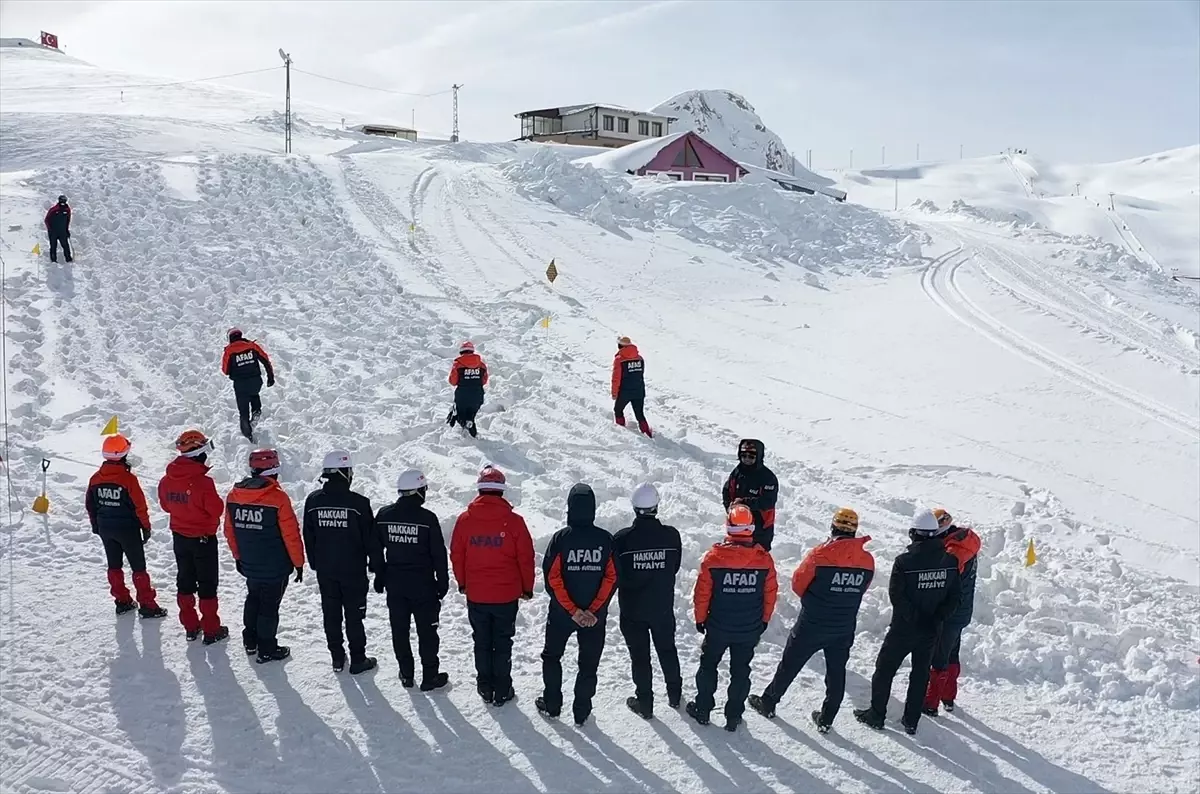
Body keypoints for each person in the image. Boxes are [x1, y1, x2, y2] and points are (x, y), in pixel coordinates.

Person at [749, 507, 874, 733]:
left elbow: (798, 584)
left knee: (790, 663)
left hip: (813, 622)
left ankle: (769, 702)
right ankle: (827, 718)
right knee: (837, 672)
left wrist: (816, 599)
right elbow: (861, 589)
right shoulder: (867, 560)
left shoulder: (820, 554)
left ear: (833, 527)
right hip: (844, 625)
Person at [854, 508, 961, 735]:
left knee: (885, 669)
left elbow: (898, 598)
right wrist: (935, 619)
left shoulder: (904, 562)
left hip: (904, 628)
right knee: (920, 673)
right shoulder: (950, 562)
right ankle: (911, 720)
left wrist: (916, 619)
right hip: (932, 629)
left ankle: (877, 713)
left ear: (914, 534)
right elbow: (954, 598)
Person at [449, 465, 535, 706]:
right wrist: (527, 588)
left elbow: (457, 554)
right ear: (501, 492)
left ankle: (484, 686)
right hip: (506, 595)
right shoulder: (514, 522)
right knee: (503, 641)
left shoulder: (465, 520)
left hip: (476, 593)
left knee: (482, 640)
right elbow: (525, 557)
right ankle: (503, 688)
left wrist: (463, 583)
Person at [688, 504, 778, 732]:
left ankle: (703, 709)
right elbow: (770, 594)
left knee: (708, 665)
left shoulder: (714, 558)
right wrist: (764, 620)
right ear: (751, 528)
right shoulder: (763, 560)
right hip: (748, 629)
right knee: (741, 671)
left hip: (718, 626)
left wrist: (700, 619)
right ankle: (734, 715)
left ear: (728, 526)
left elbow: (702, 593)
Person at [536, 483, 618, 726]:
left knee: (552, 656)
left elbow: (552, 577)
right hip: (594, 617)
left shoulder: (562, 538)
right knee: (588, 664)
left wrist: (572, 610)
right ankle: (581, 712)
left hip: (562, 615)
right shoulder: (605, 539)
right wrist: (593, 610)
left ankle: (552, 705)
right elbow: (611, 578)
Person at [302, 450, 382, 675]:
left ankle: (337, 657)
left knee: (331, 613)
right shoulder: (359, 504)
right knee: (354, 615)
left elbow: (308, 534)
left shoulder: (313, 500)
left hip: (326, 570)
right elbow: (371, 540)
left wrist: (315, 562)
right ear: (344, 473)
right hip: (353, 572)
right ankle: (358, 658)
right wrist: (377, 566)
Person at [224, 448, 304, 664]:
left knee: (253, 598)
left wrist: (239, 557)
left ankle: (250, 640)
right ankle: (267, 648)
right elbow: (291, 534)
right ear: (274, 470)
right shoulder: (278, 498)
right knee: (269, 606)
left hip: (250, 563)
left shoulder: (234, 496)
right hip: (275, 566)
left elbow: (229, 531)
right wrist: (298, 563)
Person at [612, 482, 683, 719]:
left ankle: (645, 703)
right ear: (656, 507)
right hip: (662, 606)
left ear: (634, 508)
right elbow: (674, 567)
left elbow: (616, 573)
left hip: (633, 609)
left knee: (640, 657)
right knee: (667, 650)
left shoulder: (621, 540)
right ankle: (675, 694)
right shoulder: (672, 535)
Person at [375, 468, 450, 691]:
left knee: (400, 630)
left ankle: (406, 674)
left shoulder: (384, 516)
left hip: (395, 584)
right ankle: (430, 676)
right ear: (418, 491)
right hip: (423, 585)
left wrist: (379, 574)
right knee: (427, 632)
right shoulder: (427, 519)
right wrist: (443, 581)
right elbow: (438, 554)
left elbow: (375, 548)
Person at [86, 434, 167, 619]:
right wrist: (145, 527)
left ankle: (122, 601)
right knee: (138, 567)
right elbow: (140, 507)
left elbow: (90, 505)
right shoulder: (128, 480)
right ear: (124, 454)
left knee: (114, 565)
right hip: (128, 530)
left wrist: (96, 525)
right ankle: (147, 604)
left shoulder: (95, 479)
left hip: (106, 528)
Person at [157, 430, 227, 643]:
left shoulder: (167, 479)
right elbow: (216, 509)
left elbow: (165, 505)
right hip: (203, 539)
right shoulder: (203, 483)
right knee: (207, 584)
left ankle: (190, 626)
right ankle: (211, 630)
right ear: (198, 453)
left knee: (185, 580)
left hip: (179, 536)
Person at [923, 507, 981, 715]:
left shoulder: (953, 552)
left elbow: (945, 583)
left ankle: (930, 702)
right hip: (963, 609)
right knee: (952, 652)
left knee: (939, 656)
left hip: (950, 612)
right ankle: (948, 696)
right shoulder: (964, 543)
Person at [721, 439, 779, 551]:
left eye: (751, 456)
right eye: (744, 456)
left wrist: (744, 503)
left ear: (759, 456)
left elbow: (768, 502)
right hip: (737, 527)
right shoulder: (737, 472)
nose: (747, 459)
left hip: (760, 528)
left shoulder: (768, 477)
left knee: (757, 560)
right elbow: (727, 490)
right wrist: (730, 507)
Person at [220, 329, 275, 441]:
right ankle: (256, 410)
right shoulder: (252, 346)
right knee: (254, 394)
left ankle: (247, 436)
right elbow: (265, 359)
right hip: (255, 380)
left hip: (240, 384)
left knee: (243, 411)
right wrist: (270, 377)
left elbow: (225, 370)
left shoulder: (229, 351)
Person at [612, 336, 652, 437]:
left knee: (618, 410)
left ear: (620, 346)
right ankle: (647, 433)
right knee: (639, 414)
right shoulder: (640, 358)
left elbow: (616, 378)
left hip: (624, 392)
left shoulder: (619, 360)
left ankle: (621, 431)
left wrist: (614, 393)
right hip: (639, 390)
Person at [447, 341, 488, 438]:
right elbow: (484, 381)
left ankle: (464, 433)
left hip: (462, 396)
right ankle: (471, 428)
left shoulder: (458, 364)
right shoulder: (481, 365)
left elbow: (452, 381)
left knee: (460, 415)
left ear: (461, 352)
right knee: (471, 414)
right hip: (478, 395)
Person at [44, 195, 72, 263]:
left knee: (65, 246)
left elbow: (68, 220)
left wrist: (66, 230)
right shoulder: (54, 209)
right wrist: (50, 229)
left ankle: (68, 259)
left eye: (64, 201)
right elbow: (47, 219)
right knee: (53, 246)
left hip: (62, 232)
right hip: (53, 232)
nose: (63, 203)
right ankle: (53, 260)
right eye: (61, 201)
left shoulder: (67, 210)